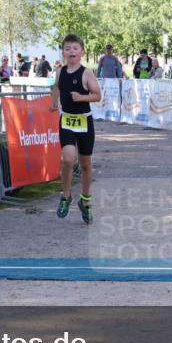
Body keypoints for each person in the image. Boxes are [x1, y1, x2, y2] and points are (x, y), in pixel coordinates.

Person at [50, 34, 102, 225]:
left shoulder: (87, 73)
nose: (71, 51)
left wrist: (81, 97)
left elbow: (97, 95)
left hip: (85, 123)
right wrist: (53, 102)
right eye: (67, 48)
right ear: (63, 52)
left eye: (75, 48)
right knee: (68, 158)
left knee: (86, 164)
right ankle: (66, 196)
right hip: (67, 121)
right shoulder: (59, 71)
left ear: (82, 51)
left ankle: (86, 201)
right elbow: (57, 87)